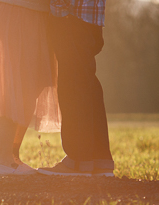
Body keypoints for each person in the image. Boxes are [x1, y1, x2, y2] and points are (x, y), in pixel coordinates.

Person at [0, 0, 61, 176]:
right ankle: (3, 159)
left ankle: (12, 157)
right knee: (16, 82)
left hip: (39, 13)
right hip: (17, 10)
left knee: (36, 83)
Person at [37, 0, 115, 177]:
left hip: (70, 16)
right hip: (91, 19)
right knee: (88, 84)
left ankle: (78, 161)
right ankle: (99, 161)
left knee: (72, 86)